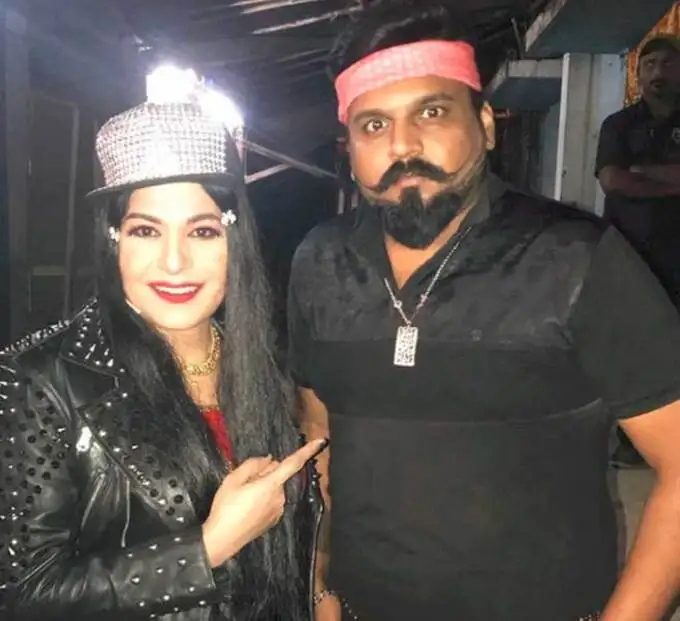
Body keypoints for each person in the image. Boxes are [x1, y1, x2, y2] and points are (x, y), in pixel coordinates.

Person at [288, 3, 680, 621]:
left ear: (487, 125)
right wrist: (323, 588)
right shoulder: (320, 260)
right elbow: (320, 443)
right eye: (373, 125)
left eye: (432, 112)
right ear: (350, 147)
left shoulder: (575, 258)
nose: (403, 146)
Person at [0, 100, 327, 620]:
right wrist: (206, 549)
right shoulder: (42, 377)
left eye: (202, 231)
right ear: (114, 241)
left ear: (234, 241)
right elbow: (23, 594)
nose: (175, 262)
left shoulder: (261, 365)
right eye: (146, 231)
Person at [596, 35, 680, 469]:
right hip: (629, 255)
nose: (657, 73)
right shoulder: (619, 125)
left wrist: (643, 173)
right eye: (649, 65)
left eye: (667, 64)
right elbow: (613, 181)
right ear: (638, 74)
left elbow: (629, 178)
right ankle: (631, 444)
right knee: (633, 350)